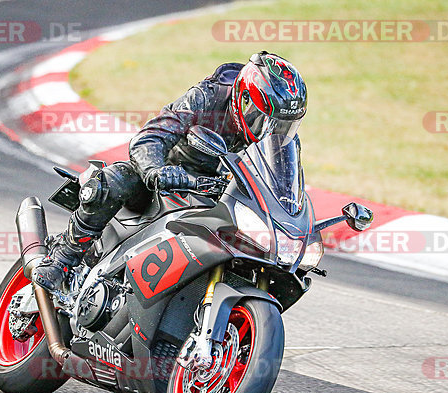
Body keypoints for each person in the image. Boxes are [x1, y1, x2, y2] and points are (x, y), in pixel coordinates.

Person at [34, 51, 307, 292]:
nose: (273, 130)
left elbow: (282, 186)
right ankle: (63, 259)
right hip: (167, 184)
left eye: (284, 125)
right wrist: (156, 169)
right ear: (244, 100)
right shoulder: (207, 97)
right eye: (266, 119)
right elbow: (150, 136)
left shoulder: (279, 140)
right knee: (114, 181)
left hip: (218, 202)